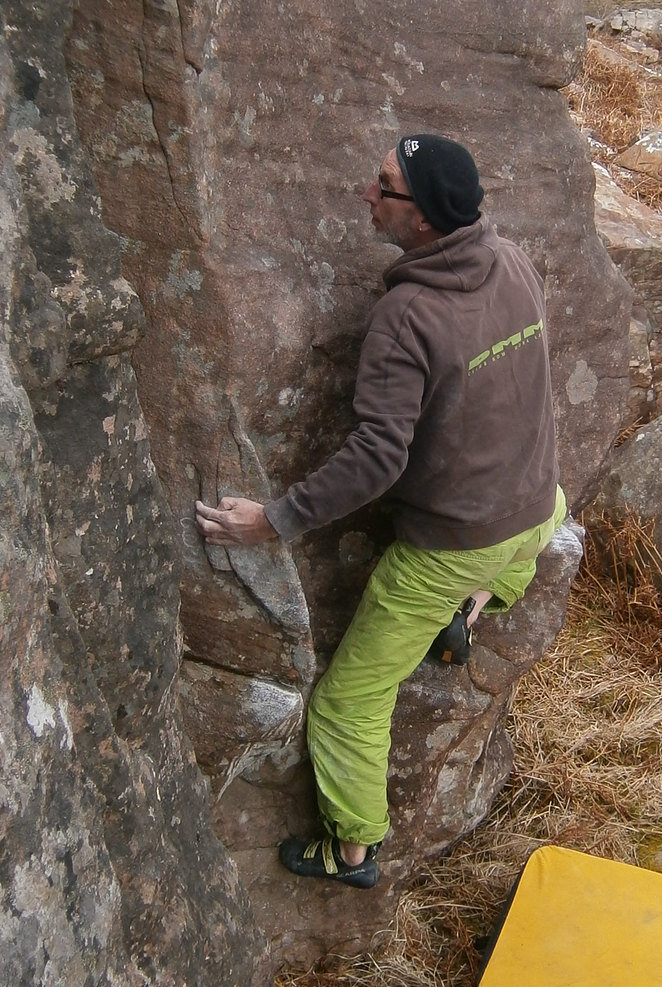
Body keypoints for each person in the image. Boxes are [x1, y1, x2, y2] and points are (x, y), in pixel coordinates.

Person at [195, 133, 565, 888]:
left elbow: (376, 458)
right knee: (537, 523)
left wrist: (273, 521)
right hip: (538, 505)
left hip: (457, 542)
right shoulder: (515, 261)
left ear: (423, 220)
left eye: (383, 186)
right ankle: (478, 604)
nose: (366, 193)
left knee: (346, 702)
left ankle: (354, 849)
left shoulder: (407, 316)